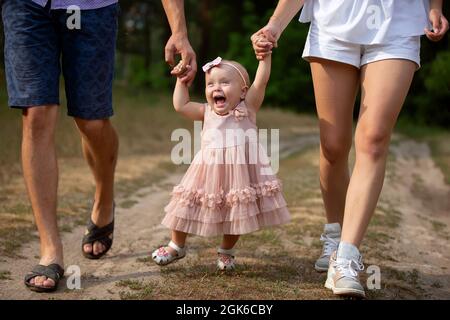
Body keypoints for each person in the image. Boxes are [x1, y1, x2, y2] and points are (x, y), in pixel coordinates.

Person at [252, 0, 448, 298]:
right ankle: (335, 234)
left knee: (373, 139)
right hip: (333, 23)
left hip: (398, 22)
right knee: (333, 145)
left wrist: (434, 6)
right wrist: (275, 24)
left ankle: (346, 256)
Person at [1, 0, 120, 292]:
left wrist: (178, 30)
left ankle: (104, 197)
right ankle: (50, 249)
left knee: (91, 122)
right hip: (26, 6)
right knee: (36, 114)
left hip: (92, 7)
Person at [151, 52, 291, 270]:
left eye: (225, 82)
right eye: (210, 84)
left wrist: (265, 56)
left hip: (239, 173)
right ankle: (176, 245)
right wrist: (182, 81)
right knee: (184, 205)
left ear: (243, 91)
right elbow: (181, 105)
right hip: (206, 171)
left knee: (236, 212)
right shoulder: (206, 111)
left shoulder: (248, 106)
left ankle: (226, 250)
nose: (216, 88)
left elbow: (261, 80)